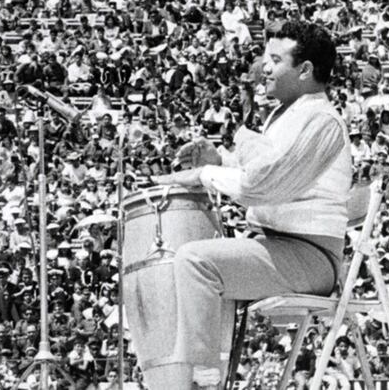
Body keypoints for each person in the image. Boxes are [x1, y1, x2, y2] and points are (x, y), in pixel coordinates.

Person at [149, 21, 358, 390]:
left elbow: (263, 187)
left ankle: (198, 381)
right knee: (186, 259)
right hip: (279, 247)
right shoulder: (289, 115)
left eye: (275, 60)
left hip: (309, 257)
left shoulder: (323, 121)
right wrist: (222, 159)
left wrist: (207, 173)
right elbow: (266, 174)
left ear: (305, 70)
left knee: (196, 262)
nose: (265, 68)